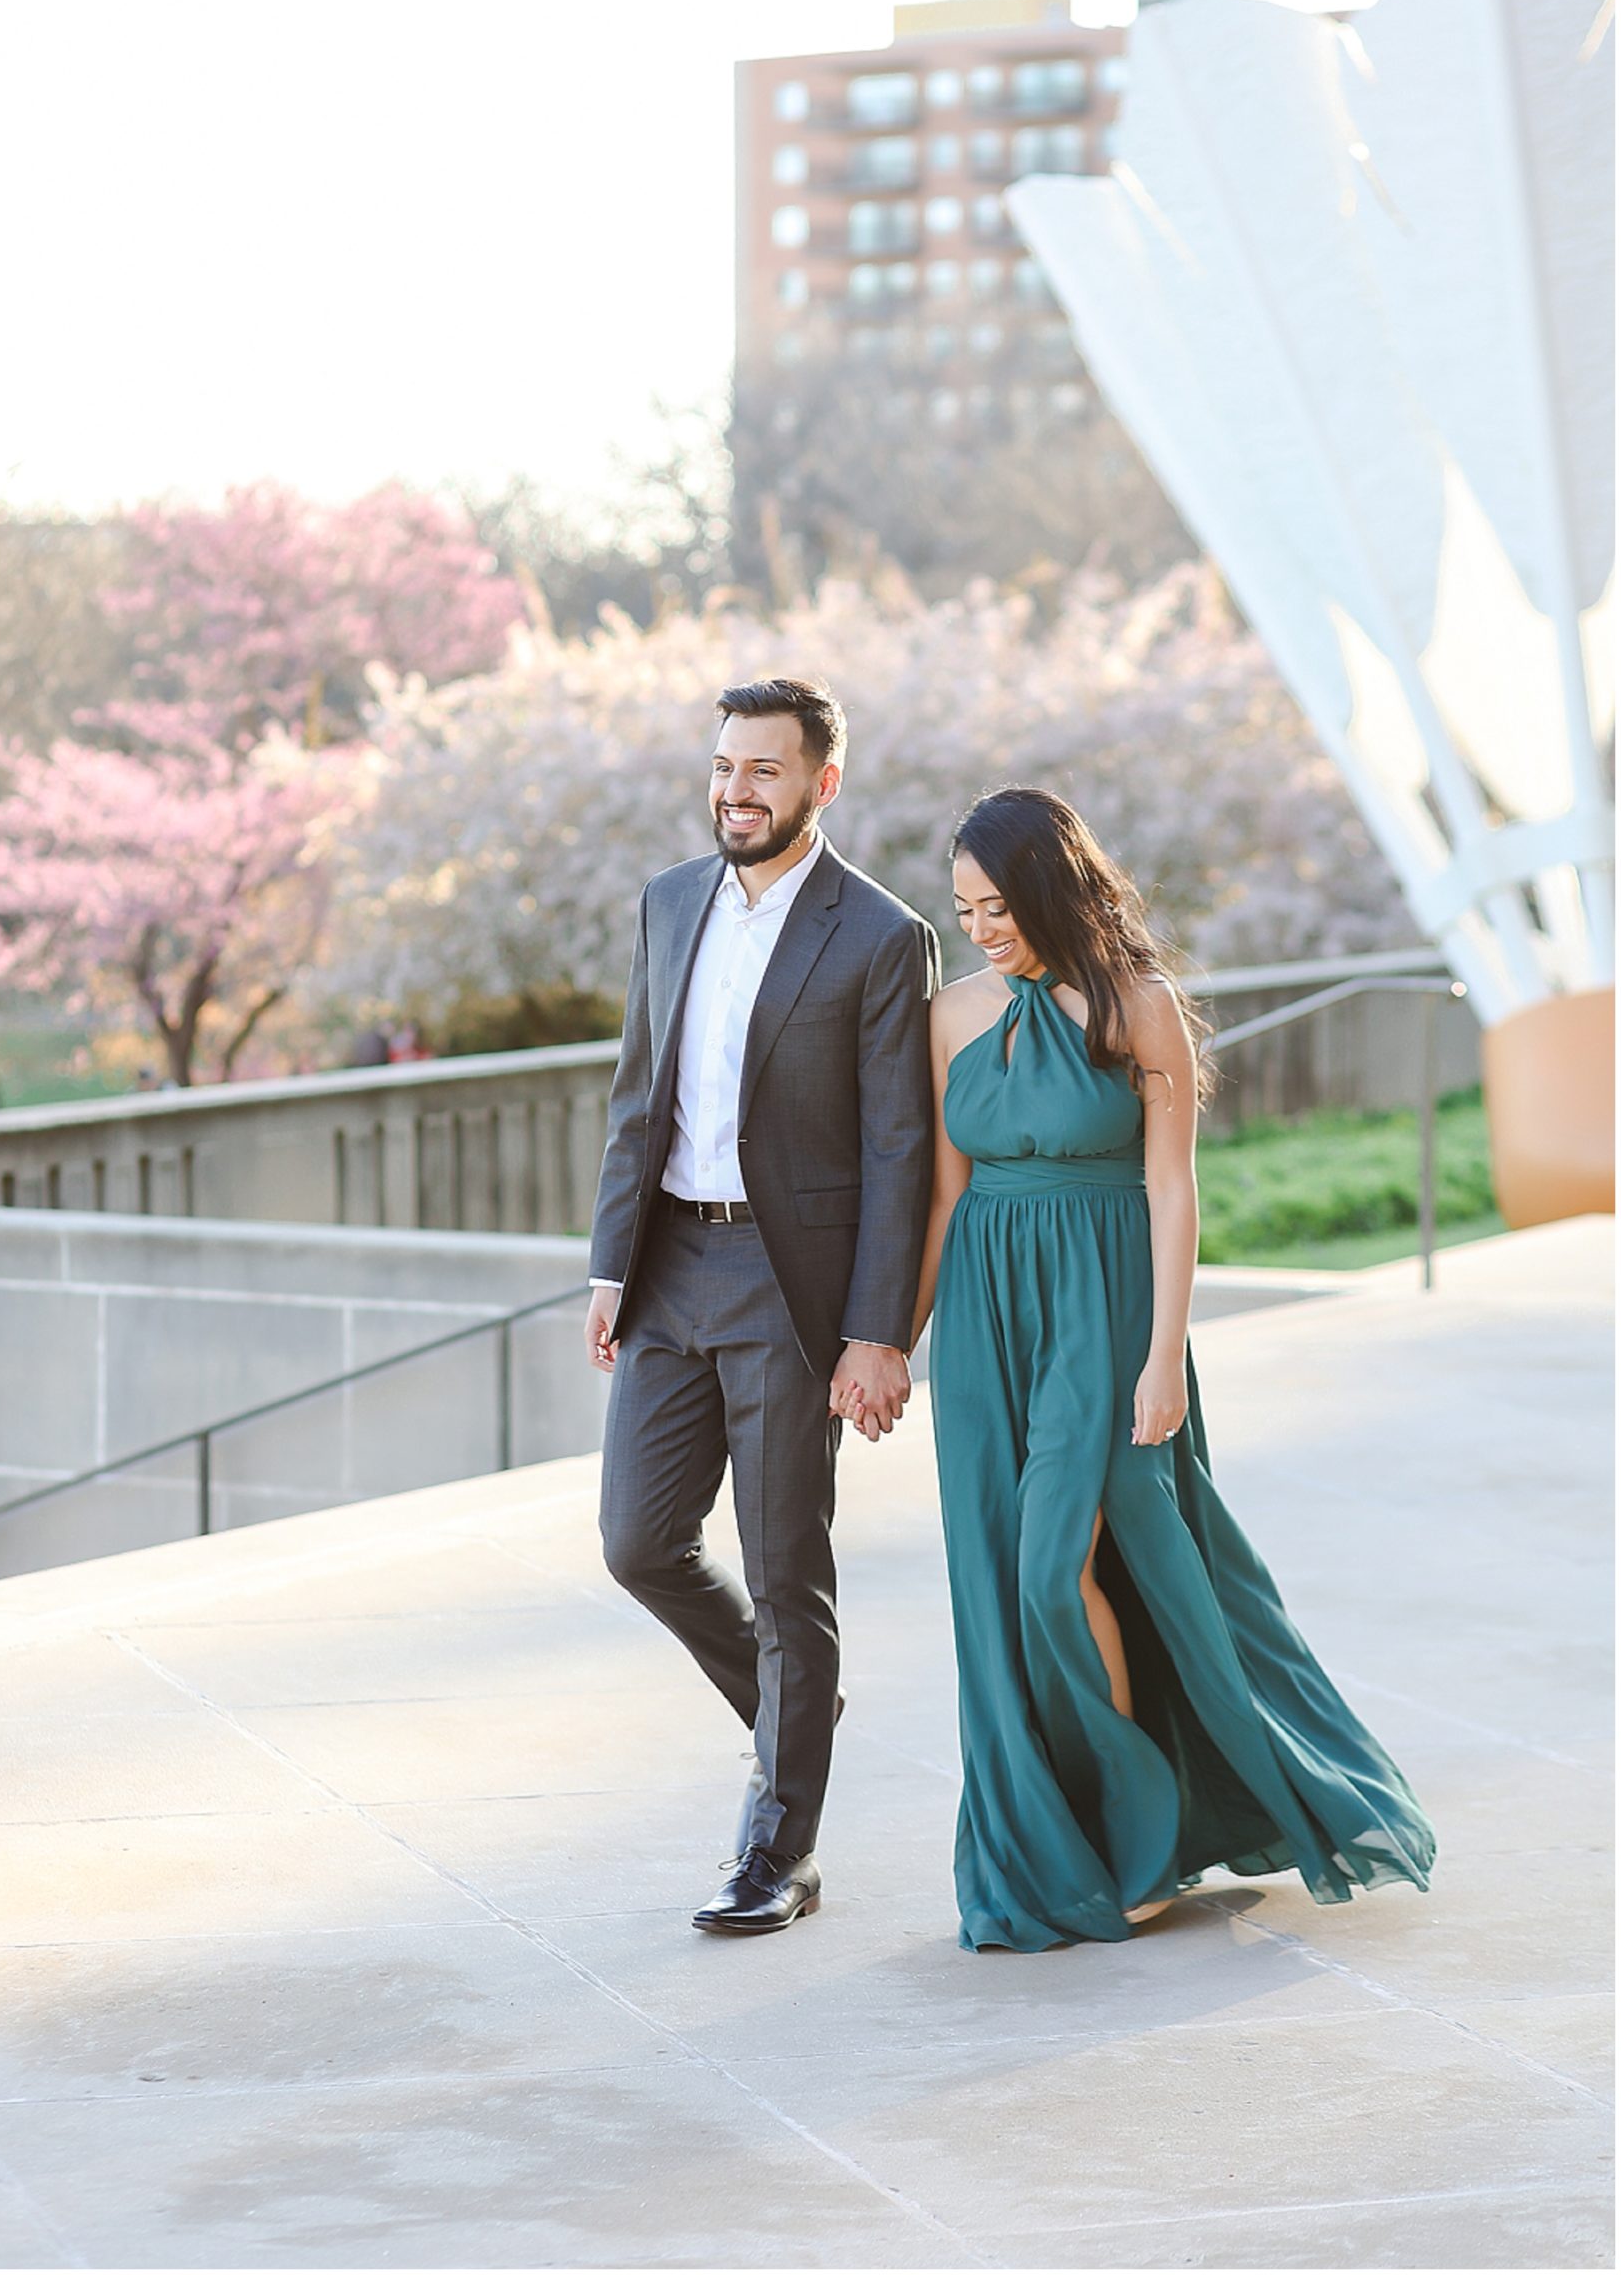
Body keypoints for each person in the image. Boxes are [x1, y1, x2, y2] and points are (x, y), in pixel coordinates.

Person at [893, 785, 1435, 1952]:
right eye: (963, 909)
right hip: (987, 1319)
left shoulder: (1141, 1007)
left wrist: (1163, 1362)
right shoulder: (947, 1018)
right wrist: (890, 1339)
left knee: (1052, 1570)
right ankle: (1069, 1840)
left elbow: (1173, 1189)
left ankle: (1132, 1833)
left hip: (1105, 1304)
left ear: (1048, 885)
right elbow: (942, 1194)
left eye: (996, 905)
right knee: (1001, 1579)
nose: (978, 927)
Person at [587, 676, 940, 1934]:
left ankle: (777, 1851)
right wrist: (609, 1266)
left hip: (792, 1288)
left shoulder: (881, 936)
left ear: (822, 783)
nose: (737, 791)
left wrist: (879, 1328)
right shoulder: (670, 899)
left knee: (789, 1570)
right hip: (672, 1267)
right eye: (725, 767)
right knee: (638, 1541)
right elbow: (640, 1093)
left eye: (766, 772)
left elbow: (903, 1146)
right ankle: (801, 1711)